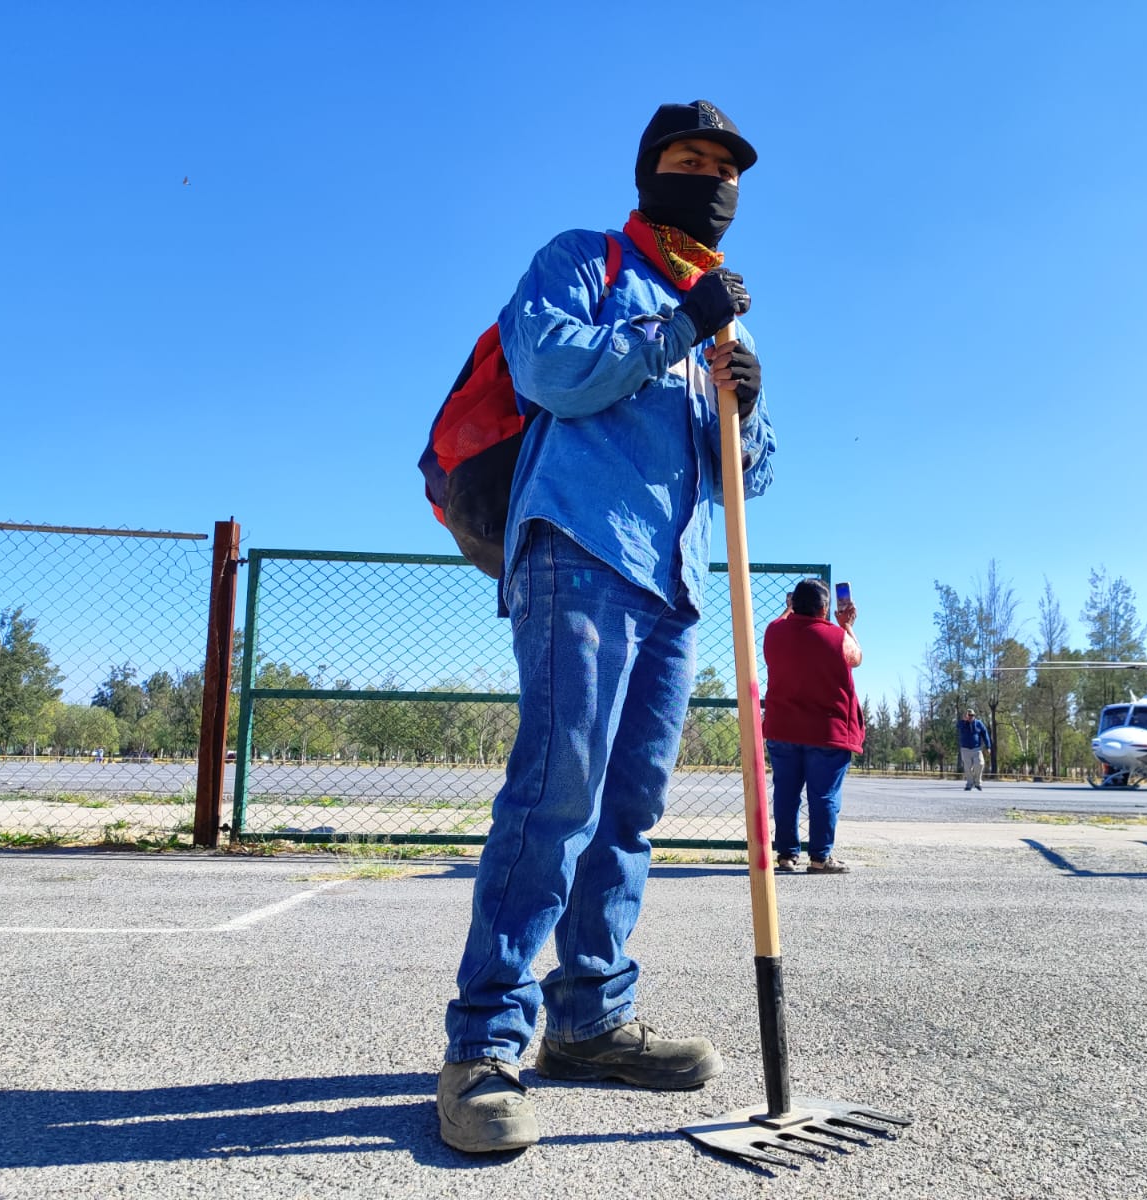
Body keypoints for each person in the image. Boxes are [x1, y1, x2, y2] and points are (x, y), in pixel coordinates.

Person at [436, 100, 776, 1156]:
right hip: (578, 550)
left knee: (630, 807)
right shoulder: (584, 259)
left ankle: (587, 1020)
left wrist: (748, 405)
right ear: (650, 172)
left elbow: (748, 481)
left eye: (724, 167)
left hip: (675, 579)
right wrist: (676, 326)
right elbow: (550, 370)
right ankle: (485, 1046)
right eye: (689, 159)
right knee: (558, 795)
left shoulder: (725, 317)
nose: (709, 177)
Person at [762, 579, 864, 875]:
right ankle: (819, 857)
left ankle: (786, 855)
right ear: (824, 609)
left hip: (783, 728)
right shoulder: (837, 637)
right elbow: (857, 658)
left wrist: (787, 610)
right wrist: (846, 624)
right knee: (824, 795)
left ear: (793, 603)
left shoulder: (774, 632)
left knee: (786, 792)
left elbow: (780, 621)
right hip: (826, 732)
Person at [955, 707, 991, 791]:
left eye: (972, 715)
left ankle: (978, 782)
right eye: (968, 715)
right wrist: (964, 721)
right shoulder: (961, 723)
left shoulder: (979, 723)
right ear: (965, 716)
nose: (970, 717)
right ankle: (969, 784)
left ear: (974, 716)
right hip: (965, 749)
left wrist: (988, 746)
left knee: (980, 764)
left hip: (976, 749)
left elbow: (985, 735)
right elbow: (958, 726)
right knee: (967, 768)